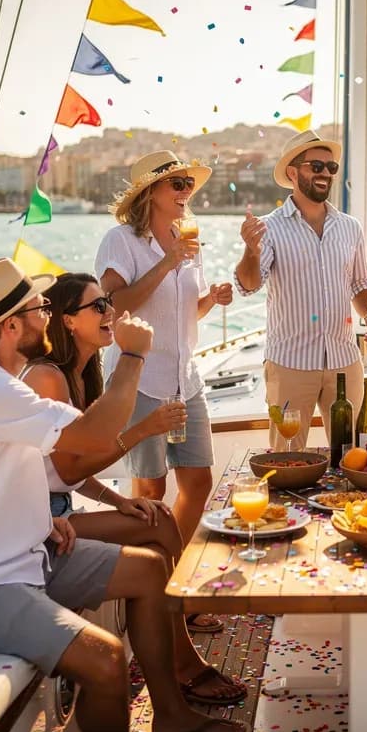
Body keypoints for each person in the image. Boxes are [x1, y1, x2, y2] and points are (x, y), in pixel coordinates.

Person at [0, 258, 250, 732]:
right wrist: (134, 356)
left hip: (22, 556)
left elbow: (12, 472)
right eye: (38, 308)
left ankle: (172, 718)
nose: (45, 315)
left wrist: (42, 519)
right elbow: (92, 438)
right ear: (11, 326)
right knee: (106, 658)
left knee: (151, 571)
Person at [20, 272, 244, 704]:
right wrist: (144, 430)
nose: (111, 312)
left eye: (108, 303)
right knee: (158, 526)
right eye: (98, 306)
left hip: (59, 509)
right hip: (40, 524)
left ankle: (175, 651)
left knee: (155, 517)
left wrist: (120, 501)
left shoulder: (83, 374)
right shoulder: (48, 378)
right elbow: (66, 472)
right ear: (67, 321)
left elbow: (70, 471)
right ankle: (181, 662)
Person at [96, 150, 233, 549]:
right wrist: (166, 263)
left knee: (198, 481)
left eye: (189, 184)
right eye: (177, 183)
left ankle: (172, 566)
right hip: (140, 380)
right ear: (150, 192)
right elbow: (110, 306)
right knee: (151, 489)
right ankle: (145, 580)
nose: (186, 190)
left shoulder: (187, 239)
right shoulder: (121, 241)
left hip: (184, 380)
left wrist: (214, 300)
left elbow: (187, 311)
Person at [234, 129, 367, 449]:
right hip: (290, 363)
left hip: (344, 360)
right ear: (293, 172)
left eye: (331, 168)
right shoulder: (269, 227)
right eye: (316, 166)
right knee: (286, 458)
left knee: (355, 455)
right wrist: (251, 250)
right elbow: (248, 286)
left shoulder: (350, 227)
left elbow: (360, 283)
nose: (325, 174)